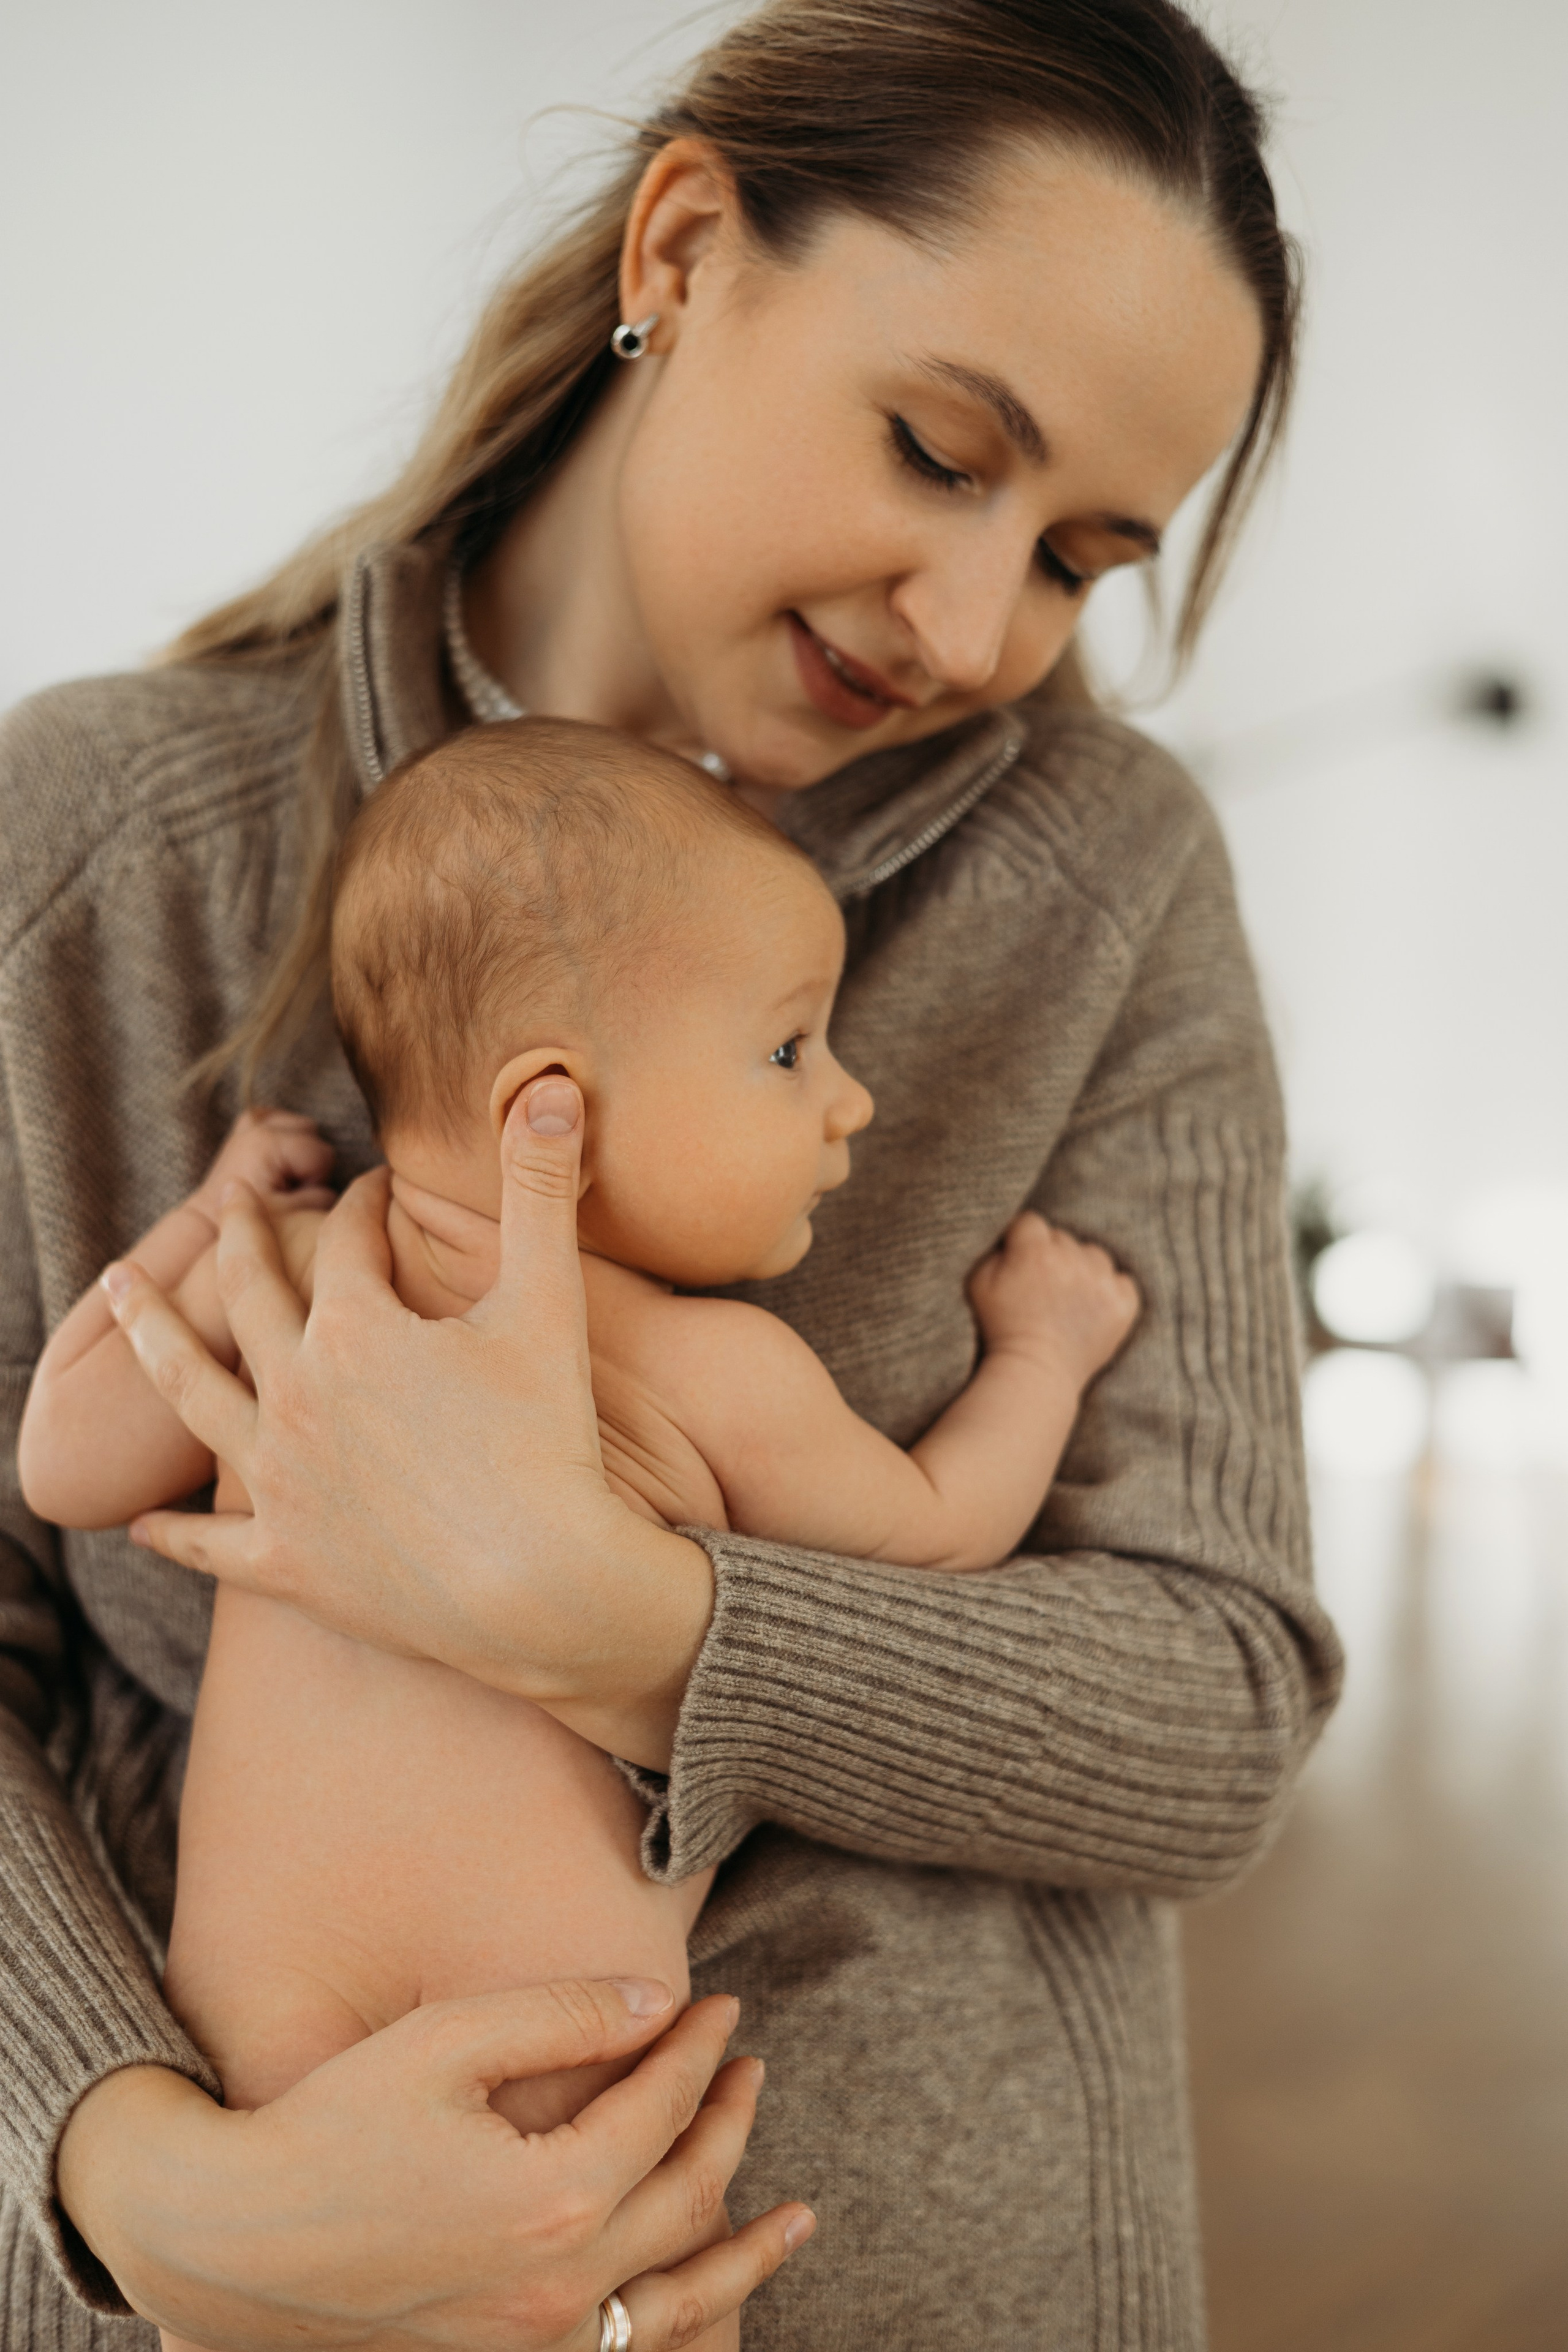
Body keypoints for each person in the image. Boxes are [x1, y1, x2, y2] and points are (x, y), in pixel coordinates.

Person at [0, 0, 1344, 2344]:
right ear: (688, 245)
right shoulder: (97, 853)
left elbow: (1212, 1700)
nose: (971, 626)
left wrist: (630, 1626)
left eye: (1082, 558)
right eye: (939, 450)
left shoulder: (1106, 885)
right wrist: (135, 2184)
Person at [20, 718, 1140, 2327]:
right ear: (552, 1107)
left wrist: (210, 1221)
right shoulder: (709, 1370)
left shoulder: (287, 1281)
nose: (852, 1101)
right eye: (787, 1052)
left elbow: (66, 1463)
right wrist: (1040, 1353)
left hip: (250, 2042)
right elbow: (946, 1533)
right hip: (576, 2051)